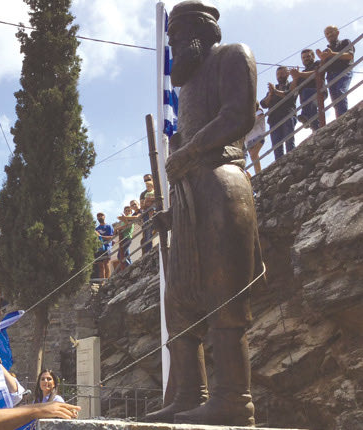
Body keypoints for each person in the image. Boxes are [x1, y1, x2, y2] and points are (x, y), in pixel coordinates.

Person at [144, 1, 262, 426]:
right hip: (190, 196)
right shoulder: (187, 88)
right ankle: (191, 395)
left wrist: (192, 150)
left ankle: (235, 398)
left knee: (224, 295)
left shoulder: (233, 56)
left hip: (222, 182)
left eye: (177, 39)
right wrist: (172, 216)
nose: (175, 48)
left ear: (198, 34)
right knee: (177, 302)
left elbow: (238, 115)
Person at [317, 25, 355, 118]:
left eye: (331, 32)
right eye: (327, 34)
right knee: (335, 99)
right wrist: (322, 59)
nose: (329, 35)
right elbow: (323, 68)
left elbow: (350, 55)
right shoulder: (325, 51)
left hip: (344, 71)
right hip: (331, 75)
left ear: (337, 32)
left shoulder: (345, 42)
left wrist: (332, 54)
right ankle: (340, 118)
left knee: (340, 91)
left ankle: (344, 116)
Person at [260, 66, 297, 159]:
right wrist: (271, 94)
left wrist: (275, 92)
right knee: (277, 146)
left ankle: (292, 160)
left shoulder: (291, 84)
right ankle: (280, 165)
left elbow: (290, 96)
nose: (280, 76)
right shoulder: (273, 89)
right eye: (278, 74)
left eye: (282, 73)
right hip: (274, 119)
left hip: (287, 116)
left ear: (287, 74)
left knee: (289, 142)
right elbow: (264, 104)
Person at [290, 49, 324, 131]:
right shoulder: (301, 74)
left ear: (313, 57)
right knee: (313, 117)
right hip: (307, 102)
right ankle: (317, 131)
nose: (306, 59)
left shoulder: (317, 63)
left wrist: (299, 74)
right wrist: (295, 78)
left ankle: (305, 115)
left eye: (308, 56)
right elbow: (292, 90)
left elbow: (317, 72)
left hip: (319, 92)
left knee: (306, 92)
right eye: (304, 57)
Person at [244, 103, 266, 175]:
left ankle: (258, 173)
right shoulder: (246, 115)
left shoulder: (259, 111)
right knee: (253, 157)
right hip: (248, 140)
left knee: (254, 155)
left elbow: (254, 121)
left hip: (258, 136)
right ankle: (257, 173)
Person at [115, 206, 136, 271]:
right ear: (124, 212)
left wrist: (117, 228)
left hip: (127, 238)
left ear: (131, 212)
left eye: (128, 211)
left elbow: (127, 226)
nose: (127, 212)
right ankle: (131, 267)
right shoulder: (123, 220)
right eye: (126, 211)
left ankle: (130, 268)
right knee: (127, 256)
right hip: (124, 238)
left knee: (120, 256)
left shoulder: (130, 218)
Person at [93, 212, 114, 279]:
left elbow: (111, 237)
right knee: (100, 266)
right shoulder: (96, 229)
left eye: (101, 215)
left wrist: (100, 236)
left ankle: (108, 281)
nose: (100, 217)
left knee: (106, 264)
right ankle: (102, 282)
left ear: (104, 216)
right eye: (98, 216)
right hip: (99, 248)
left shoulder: (109, 226)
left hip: (107, 247)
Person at [140, 178, 156, 253]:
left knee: (152, 210)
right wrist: (149, 200)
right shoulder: (145, 193)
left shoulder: (154, 191)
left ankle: (152, 220)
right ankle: (148, 249)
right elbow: (145, 202)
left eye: (149, 186)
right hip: (148, 209)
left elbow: (156, 198)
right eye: (147, 187)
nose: (147, 188)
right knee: (147, 233)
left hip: (153, 208)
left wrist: (149, 200)